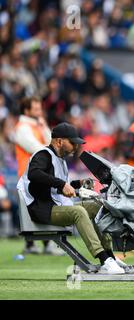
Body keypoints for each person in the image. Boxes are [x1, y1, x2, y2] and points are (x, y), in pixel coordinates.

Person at [17, 122, 126, 274]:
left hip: (55, 205)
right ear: (59, 141)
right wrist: (62, 184)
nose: (76, 146)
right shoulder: (43, 154)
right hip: (42, 209)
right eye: (72, 142)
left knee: (100, 205)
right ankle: (103, 259)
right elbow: (34, 174)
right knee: (79, 212)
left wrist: (77, 183)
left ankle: (110, 256)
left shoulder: (59, 159)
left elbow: (55, 185)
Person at [14, 96, 63, 255]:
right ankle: (41, 244)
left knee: (41, 207)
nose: (39, 111)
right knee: (35, 209)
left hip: (38, 173)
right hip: (28, 175)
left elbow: (52, 142)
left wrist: (43, 127)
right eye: (35, 109)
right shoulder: (22, 127)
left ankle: (37, 245)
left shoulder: (37, 125)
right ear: (26, 111)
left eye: (39, 108)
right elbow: (38, 148)